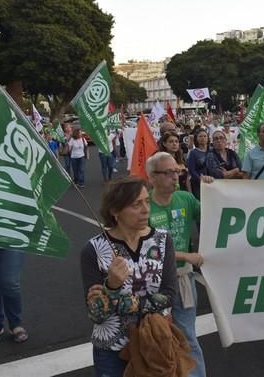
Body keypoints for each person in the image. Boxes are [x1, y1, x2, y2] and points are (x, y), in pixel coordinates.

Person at [80, 177, 177, 377]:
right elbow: (96, 315)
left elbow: (169, 295)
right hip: (112, 349)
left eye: (146, 201)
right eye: (136, 204)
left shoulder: (162, 240)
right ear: (115, 211)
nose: (145, 209)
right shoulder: (93, 250)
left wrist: (113, 297)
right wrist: (112, 285)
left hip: (156, 340)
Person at [147, 152, 211, 377]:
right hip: (151, 285)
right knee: (153, 338)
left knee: (187, 336)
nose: (175, 177)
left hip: (182, 280)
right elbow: (145, 249)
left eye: (177, 171)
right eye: (169, 172)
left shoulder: (185, 198)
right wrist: (186, 255)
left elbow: (216, 213)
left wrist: (212, 190)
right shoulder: (143, 206)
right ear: (152, 177)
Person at [187, 129, 210, 199]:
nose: (203, 138)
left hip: (212, 182)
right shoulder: (193, 153)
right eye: (200, 136)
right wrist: (201, 178)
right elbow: (192, 170)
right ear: (196, 139)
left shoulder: (212, 151)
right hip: (198, 184)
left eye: (204, 136)